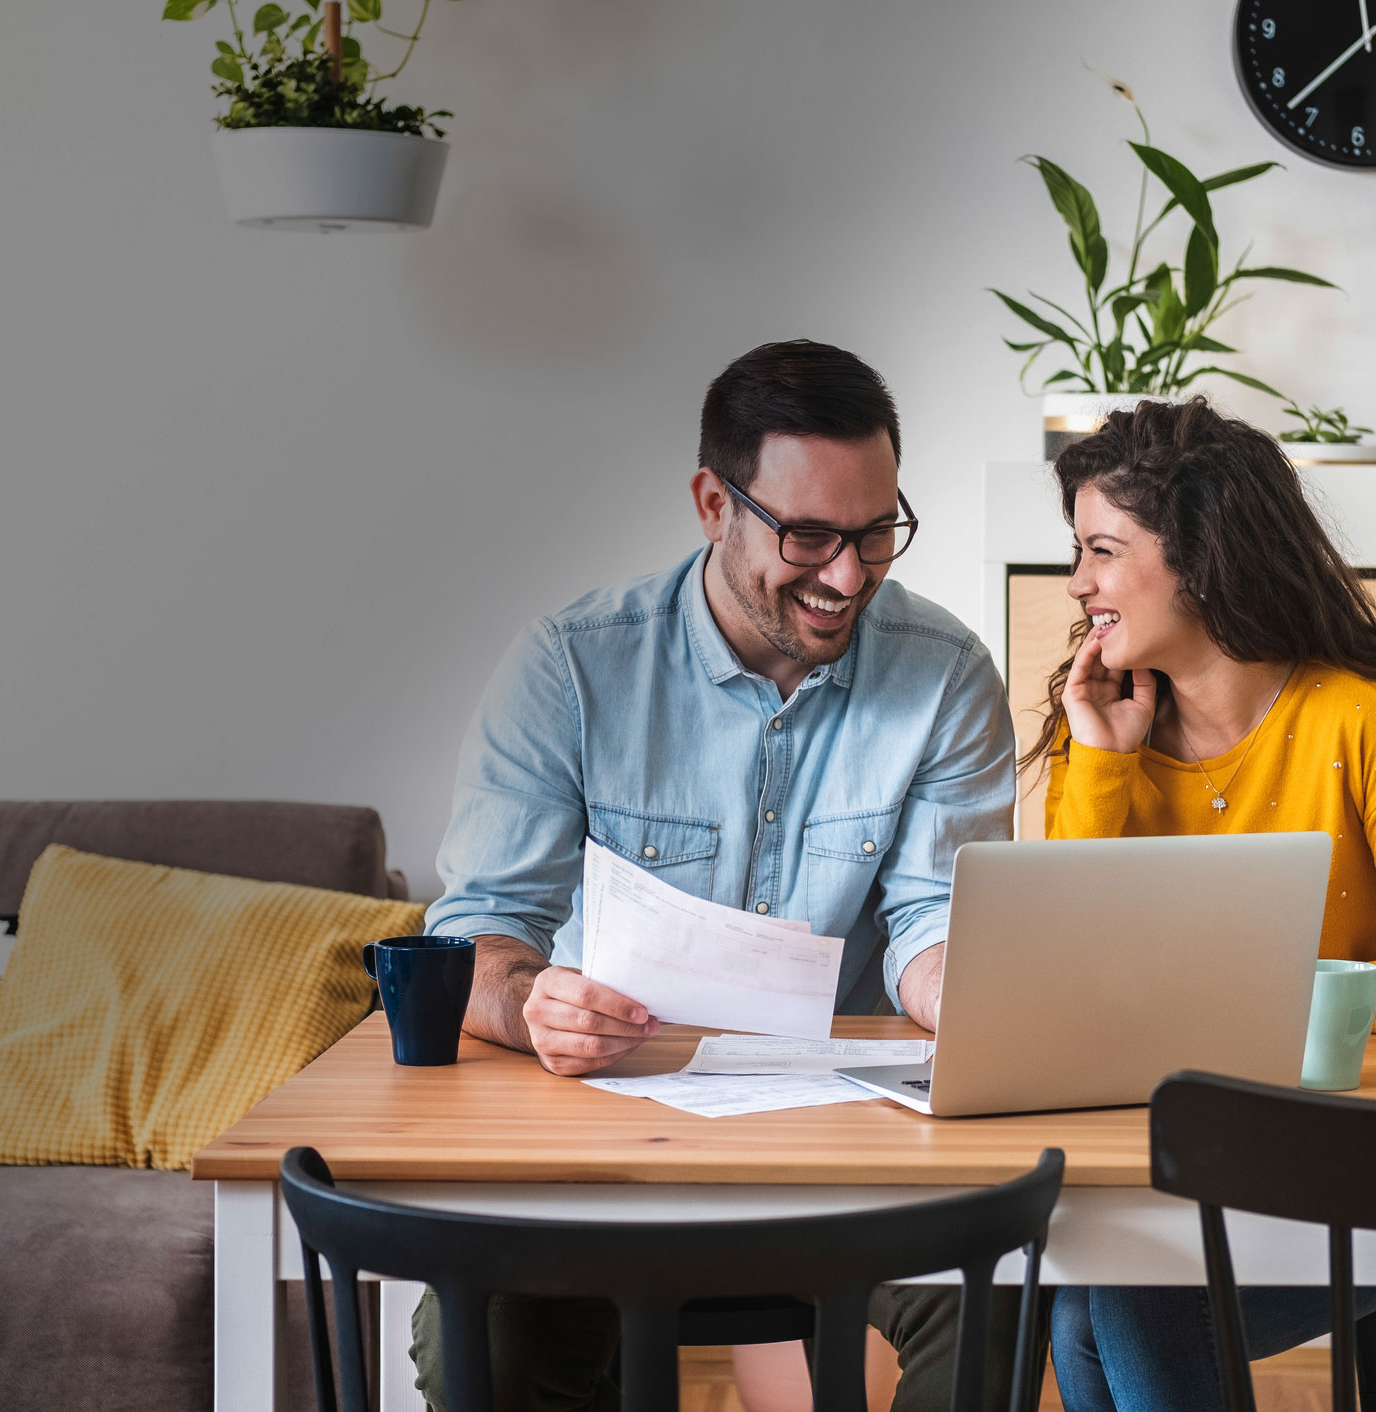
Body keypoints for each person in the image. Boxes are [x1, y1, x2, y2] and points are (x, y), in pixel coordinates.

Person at [414, 339, 1024, 1412]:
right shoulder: (571, 666)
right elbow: (478, 935)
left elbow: (934, 914)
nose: (847, 576)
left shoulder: (947, 674)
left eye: (877, 532)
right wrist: (528, 1004)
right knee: (484, 1339)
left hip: (857, 1156)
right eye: (808, 535)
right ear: (712, 502)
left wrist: (964, 990)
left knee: (1001, 1300)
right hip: (598, 1143)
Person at [1030, 396, 1376, 1412]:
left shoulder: (1368, 720)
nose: (1080, 583)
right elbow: (1064, 975)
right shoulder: (1107, 731)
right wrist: (1101, 765)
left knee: (1121, 1299)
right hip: (1183, 1170)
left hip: (1369, 1178)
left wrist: (1230, 1020)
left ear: (1198, 557)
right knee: (1085, 1297)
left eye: (1103, 549)